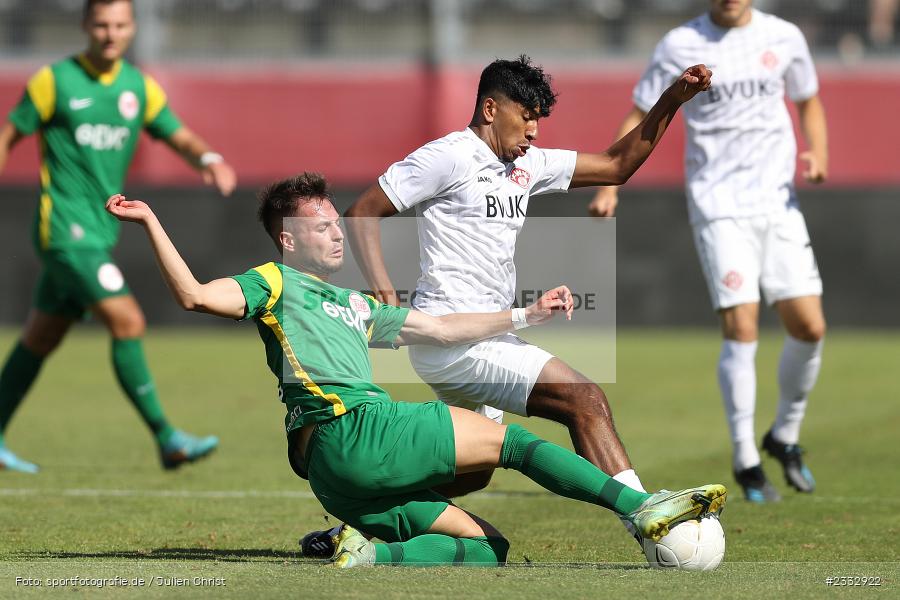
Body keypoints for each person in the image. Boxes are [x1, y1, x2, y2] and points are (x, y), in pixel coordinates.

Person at [104, 172, 727, 568]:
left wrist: (524, 317)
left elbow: (440, 328)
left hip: (335, 481)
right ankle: (643, 508)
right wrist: (152, 221)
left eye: (336, 223)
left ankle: (368, 553)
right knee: (514, 441)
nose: (337, 234)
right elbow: (193, 295)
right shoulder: (272, 281)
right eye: (321, 227)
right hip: (355, 427)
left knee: (490, 550)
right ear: (289, 240)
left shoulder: (351, 303)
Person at [327, 54, 710, 547]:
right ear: (490, 108)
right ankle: (647, 518)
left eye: (538, 118)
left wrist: (671, 102)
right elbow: (362, 212)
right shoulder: (448, 156)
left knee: (472, 472)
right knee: (583, 398)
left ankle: (356, 523)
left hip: (485, 336)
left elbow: (618, 165)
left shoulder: (527, 164)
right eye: (525, 114)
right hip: (451, 336)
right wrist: (384, 293)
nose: (533, 128)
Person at [588, 0, 827, 503]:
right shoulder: (680, 44)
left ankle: (784, 435)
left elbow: (807, 99)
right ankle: (746, 461)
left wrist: (818, 150)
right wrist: (612, 181)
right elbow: (641, 108)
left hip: (778, 203)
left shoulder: (784, 37)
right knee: (742, 325)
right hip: (718, 204)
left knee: (810, 326)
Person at [0, 0, 236, 472]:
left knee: (40, 338)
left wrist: (209, 160)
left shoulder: (138, 88)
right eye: (102, 24)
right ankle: (167, 438)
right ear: (86, 25)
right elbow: (8, 134)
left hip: (98, 233)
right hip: (65, 232)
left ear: (131, 30)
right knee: (128, 321)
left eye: (120, 25)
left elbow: (178, 135)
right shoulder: (55, 81)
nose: (111, 33)